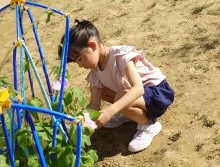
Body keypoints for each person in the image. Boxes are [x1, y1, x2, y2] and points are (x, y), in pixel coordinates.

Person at [59, 20, 174, 153]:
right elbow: (94, 105)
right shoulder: (95, 72)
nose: (80, 65)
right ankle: (129, 113)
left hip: (157, 95)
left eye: (79, 59)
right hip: (140, 98)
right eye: (76, 62)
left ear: (92, 46)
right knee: (102, 91)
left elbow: (138, 88)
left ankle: (148, 125)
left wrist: (111, 111)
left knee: (120, 97)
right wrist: (79, 122)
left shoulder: (120, 56)